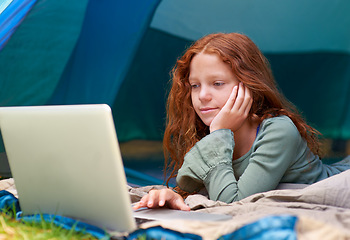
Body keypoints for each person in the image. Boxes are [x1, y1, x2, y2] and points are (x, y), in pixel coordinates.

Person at [133, 32, 350, 211]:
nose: (202, 96)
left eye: (217, 83)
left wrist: (219, 132)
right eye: (195, 85)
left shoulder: (279, 130)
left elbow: (234, 205)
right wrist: (171, 195)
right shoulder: (204, 133)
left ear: (248, 86)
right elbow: (189, 187)